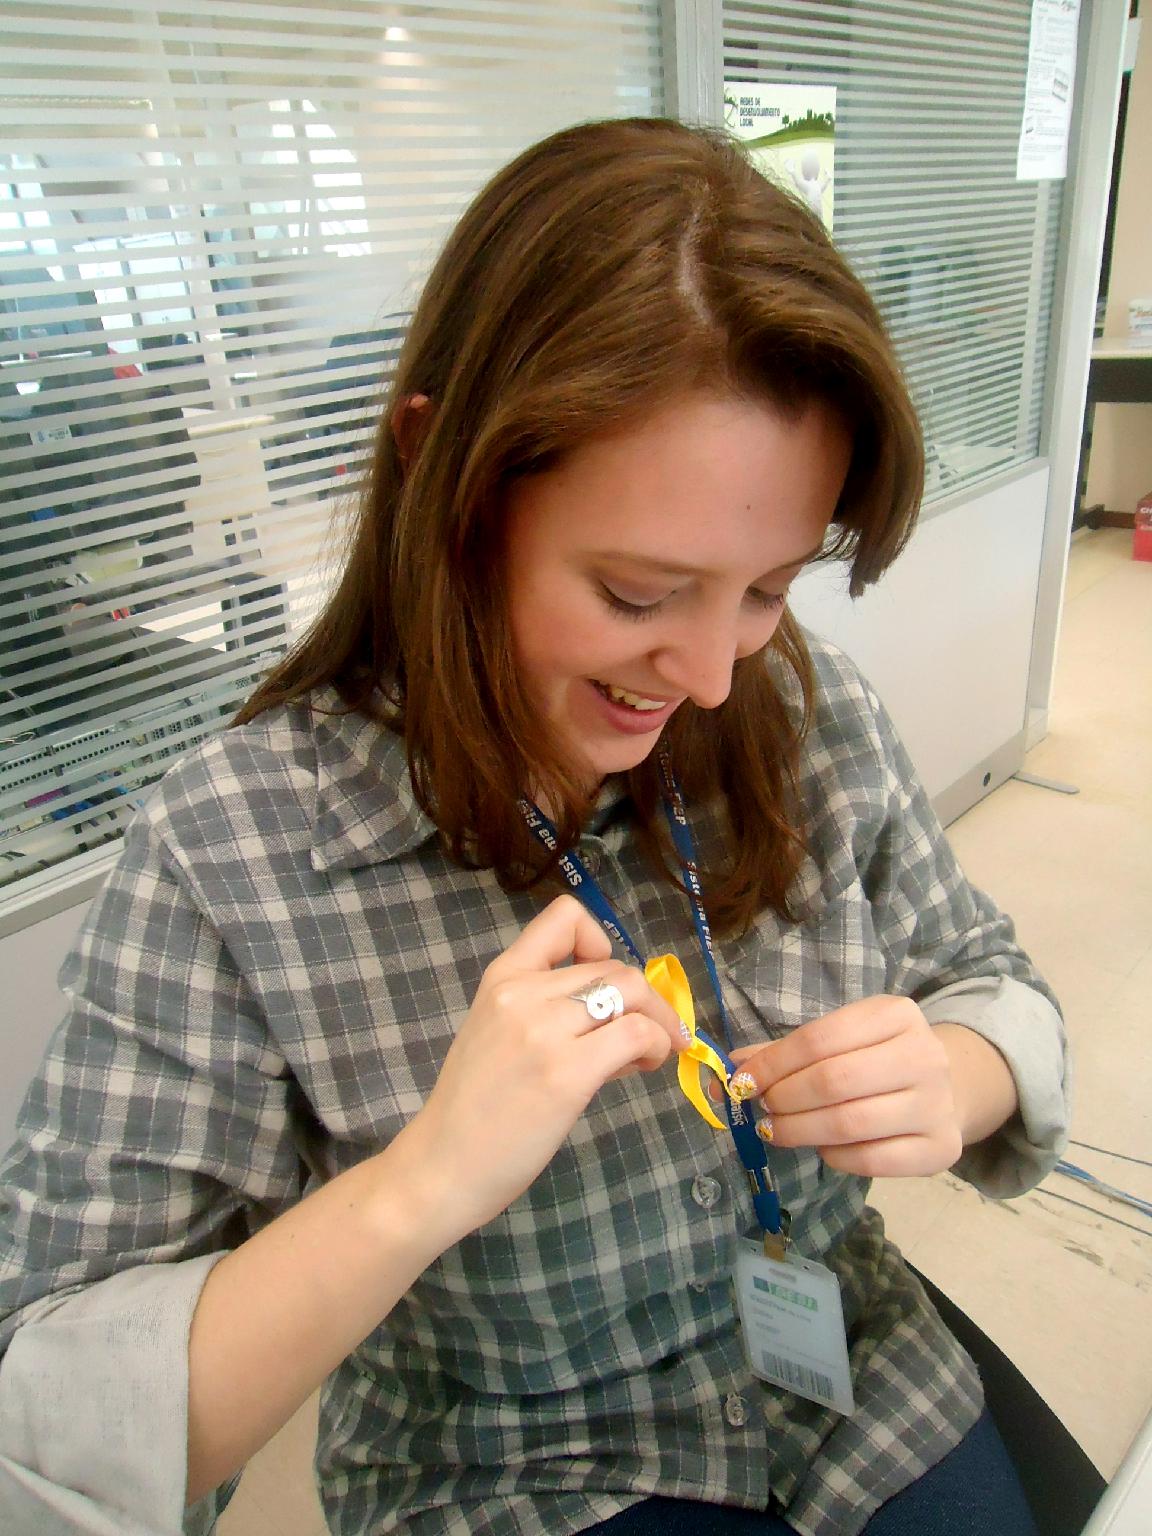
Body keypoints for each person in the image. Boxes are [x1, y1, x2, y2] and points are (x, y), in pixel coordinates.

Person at [0, 117, 1068, 1536]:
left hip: (865, 1398)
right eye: (638, 594)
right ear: (450, 485)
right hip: (527, 1477)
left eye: (768, 587)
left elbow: (994, 984)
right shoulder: (234, 855)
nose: (711, 676)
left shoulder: (807, 717)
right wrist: (421, 1183)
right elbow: (46, 1427)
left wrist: (958, 1072)